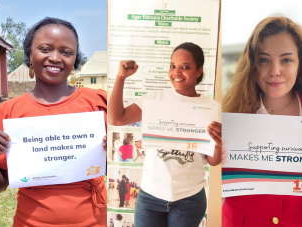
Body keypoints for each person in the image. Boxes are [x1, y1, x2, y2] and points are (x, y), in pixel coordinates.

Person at [0, 17, 108, 226]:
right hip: (30, 222)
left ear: (75, 59)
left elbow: (121, 165)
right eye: (45, 49)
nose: (55, 58)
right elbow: (0, 183)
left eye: (66, 52)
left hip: (94, 221)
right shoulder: (8, 112)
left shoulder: (99, 103)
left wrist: (114, 150)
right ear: (30, 54)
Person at [108, 42, 222, 227]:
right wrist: (121, 77)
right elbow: (116, 118)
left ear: (199, 71)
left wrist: (217, 143)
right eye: (173, 66)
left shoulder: (210, 107)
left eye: (185, 67)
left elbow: (213, 161)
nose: (176, 72)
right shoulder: (154, 100)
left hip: (189, 198)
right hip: (150, 196)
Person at [222, 16, 302, 226]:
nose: (275, 71)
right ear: (252, 64)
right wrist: (215, 158)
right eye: (264, 59)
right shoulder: (231, 113)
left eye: (286, 60)